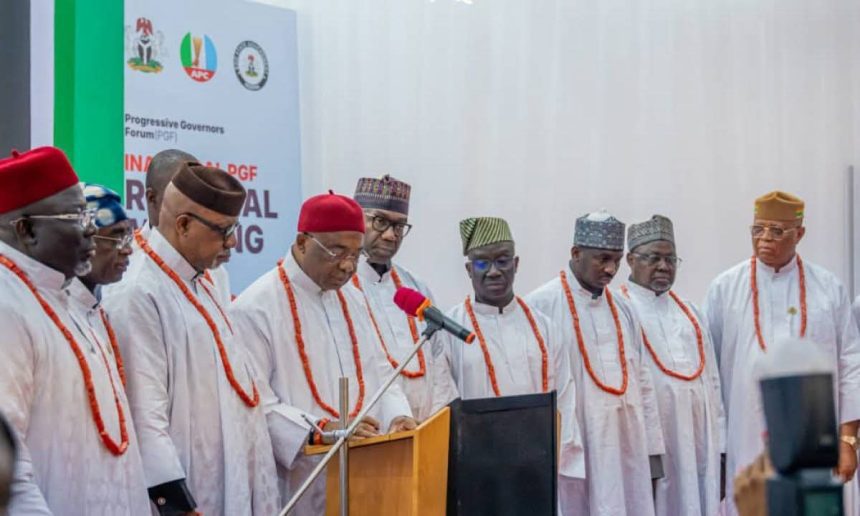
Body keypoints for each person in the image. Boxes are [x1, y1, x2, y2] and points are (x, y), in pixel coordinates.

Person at [105, 163, 279, 515]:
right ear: (183, 225)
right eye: (224, 230)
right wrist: (174, 501)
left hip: (228, 472)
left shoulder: (206, 278)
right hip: (187, 485)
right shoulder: (137, 290)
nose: (233, 242)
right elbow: (143, 413)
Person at [232, 190, 416, 515]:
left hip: (365, 474)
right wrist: (322, 430)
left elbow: (380, 373)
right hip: (299, 482)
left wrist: (398, 417)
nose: (348, 266)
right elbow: (256, 406)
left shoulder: (353, 298)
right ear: (303, 242)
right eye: (336, 251)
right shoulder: (255, 307)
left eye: (356, 255)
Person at [0, 147, 149, 514]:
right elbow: (9, 467)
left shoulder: (66, 297)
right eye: (76, 217)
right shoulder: (7, 304)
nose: (90, 231)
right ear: (27, 230)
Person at [704, 191, 860, 516]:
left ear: (799, 234)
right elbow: (710, 375)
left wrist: (847, 441)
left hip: (814, 437)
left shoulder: (829, 289)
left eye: (777, 231)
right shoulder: (724, 288)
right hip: (745, 437)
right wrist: (718, 447)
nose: (764, 238)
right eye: (757, 229)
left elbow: (851, 364)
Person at [526, 210, 665, 516]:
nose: (611, 269)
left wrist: (653, 451)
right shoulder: (541, 305)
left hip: (625, 445)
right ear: (576, 253)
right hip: (573, 449)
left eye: (616, 259)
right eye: (602, 259)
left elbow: (642, 379)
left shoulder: (624, 308)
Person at [430, 216, 584, 483]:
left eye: (502, 261)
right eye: (482, 263)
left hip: (536, 463)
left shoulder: (545, 328)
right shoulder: (449, 330)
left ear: (516, 264)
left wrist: (555, 457)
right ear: (469, 270)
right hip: (476, 466)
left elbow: (564, 396)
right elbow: (443, 401)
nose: (493, 271)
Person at [620, 215, 724, 516]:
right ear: (630, 260)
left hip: (698, 444)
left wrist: (721, 448)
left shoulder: (690, 312)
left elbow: (713, 381)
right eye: (654, 258)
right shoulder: (619, 310)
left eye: (670, 259)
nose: (664, 266)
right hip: (653, 447)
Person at [351, 175, 436, 420]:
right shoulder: (340, 287)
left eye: (399, 226)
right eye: (380, 221)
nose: (391, 235)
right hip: (369, 428)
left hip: (422, 426)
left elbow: (438, 359)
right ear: (358, 220)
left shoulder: (416, 287)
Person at [121, 148, 231, 304]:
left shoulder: (216, 272)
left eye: (200, 196)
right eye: (181, 194)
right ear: (152, 198)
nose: (194, 204)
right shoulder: (129, 272)